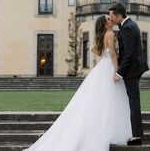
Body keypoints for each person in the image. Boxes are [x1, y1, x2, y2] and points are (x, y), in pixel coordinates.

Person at [23, 15, 132, 151]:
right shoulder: (109, 34)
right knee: (110, 99)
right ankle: (110, 129)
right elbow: (113, 55)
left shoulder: (103, 35)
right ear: (105, 25)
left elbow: (97, 50)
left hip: (102, 66)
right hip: (109, 66)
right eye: (108, 20)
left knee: (103, 100)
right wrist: (117, 71)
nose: (111, 20)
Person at [108, 2, 149, 146]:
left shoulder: (128, 28)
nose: (110, 19)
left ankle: (137, 136)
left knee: (134, 100)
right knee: (132, 100)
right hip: (132, 69)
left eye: (112, 16)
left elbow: (129, 54)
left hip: (131, 70)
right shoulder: (129, 25)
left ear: (119, 15)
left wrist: (119, 73)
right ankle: (134, 132)